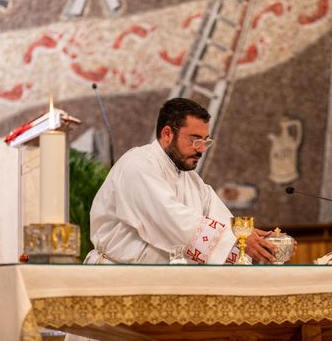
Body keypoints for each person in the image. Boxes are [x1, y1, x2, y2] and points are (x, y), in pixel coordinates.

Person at [85, 97, 280, 265]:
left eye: (205, 141)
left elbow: (222, 221)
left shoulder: (192, 180)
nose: (201, 149)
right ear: (168, 134)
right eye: (195, 140)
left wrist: (258, 240)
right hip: (117, 277)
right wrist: (236, 240)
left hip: (161, 281)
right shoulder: (138, 165)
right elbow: (169, 219)